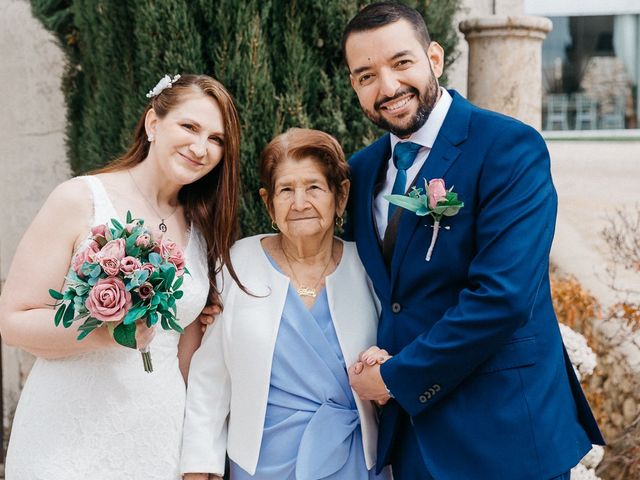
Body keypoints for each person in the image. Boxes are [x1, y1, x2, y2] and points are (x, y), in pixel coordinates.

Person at [341, 3, 605, 479]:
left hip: (505, 436)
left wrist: (394, 377)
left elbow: (503, 297)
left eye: (401, 63)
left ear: (434, 58)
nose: (388, 88)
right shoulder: (361, 172)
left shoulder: (508, 147)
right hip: (413, 440)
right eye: (365, 75)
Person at [0, 73, 243, 479]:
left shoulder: (205, 233)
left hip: (156, 436)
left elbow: (189, 359)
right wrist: (105, 331)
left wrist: (197, 458)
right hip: (67, 433)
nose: (201, 148)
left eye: (216, 139)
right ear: (152, 124)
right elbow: (13, 320)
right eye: (189, 126)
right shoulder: (81, 199)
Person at [180, 128, 390, 480]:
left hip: (352, 463)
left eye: (314, 188)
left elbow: (394, 350)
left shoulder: (367, 266)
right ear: (268, 202)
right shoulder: (239, 263)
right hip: (261, 466)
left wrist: (385, 369)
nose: (299, 203)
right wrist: (200, 468)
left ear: (340, 197)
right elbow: (210, 379)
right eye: (286, 190)